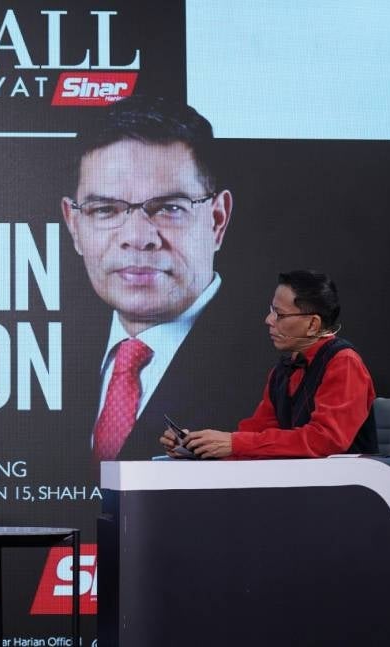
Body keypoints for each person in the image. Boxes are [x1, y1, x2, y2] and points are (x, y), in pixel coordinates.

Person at [63, 95, 257, 460]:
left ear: (217, 220)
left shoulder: (276, 368)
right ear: (74, 225)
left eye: (169, 208)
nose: (138, 237)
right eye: (105, 209)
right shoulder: (54, 358)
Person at [160, 271, 377, 459]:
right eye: (271, 310)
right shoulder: (282, 371)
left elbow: (325, 440)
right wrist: (200, 445)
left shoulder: (343, 362)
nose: (268, 320)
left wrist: (234, 444)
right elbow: (257, 433)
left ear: (313, 324)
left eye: (279, 314)